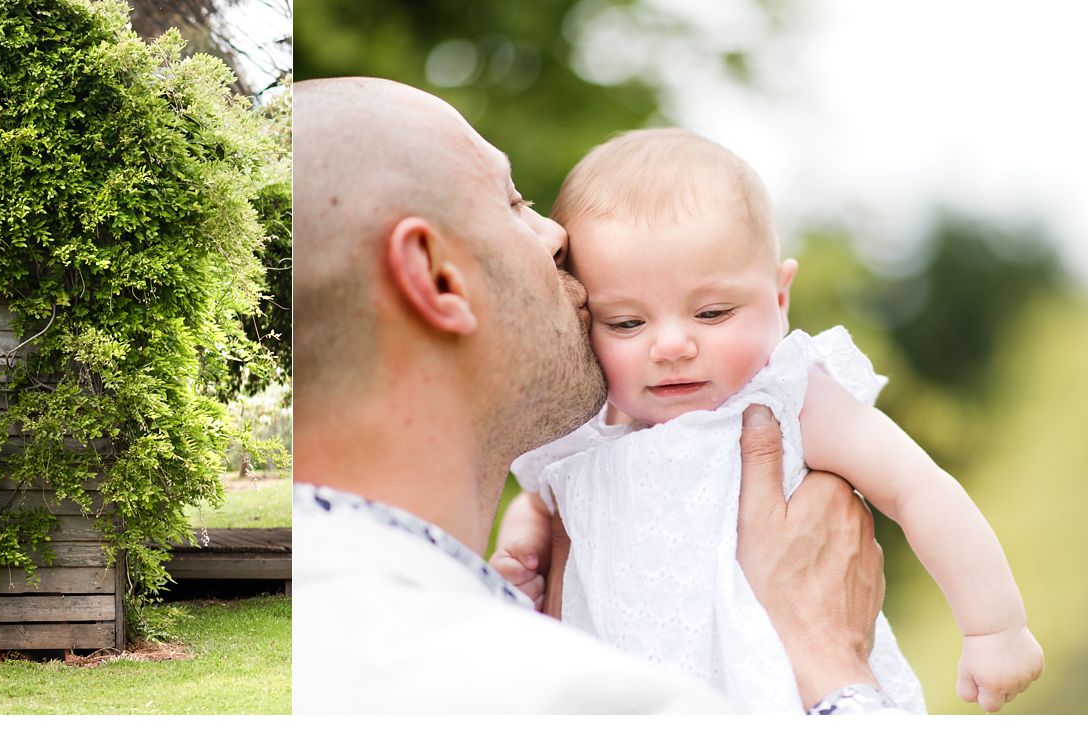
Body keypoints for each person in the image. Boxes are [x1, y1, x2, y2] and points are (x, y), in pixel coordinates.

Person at [293, 76, 896, 713]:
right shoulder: (555, 696)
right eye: (515, 202)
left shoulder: (340, 624)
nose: (557, 236)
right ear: (436, 276)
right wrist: (831, 665)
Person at [496, 129, 1043, 713]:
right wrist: (523, 539)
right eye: (626, 323)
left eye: (712, 312)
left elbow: (919, 489)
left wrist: (995, 628)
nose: (673, 345)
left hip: (778, 694)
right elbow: (546, 498)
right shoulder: (590, 430)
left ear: (780, 298)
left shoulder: (790, 401)